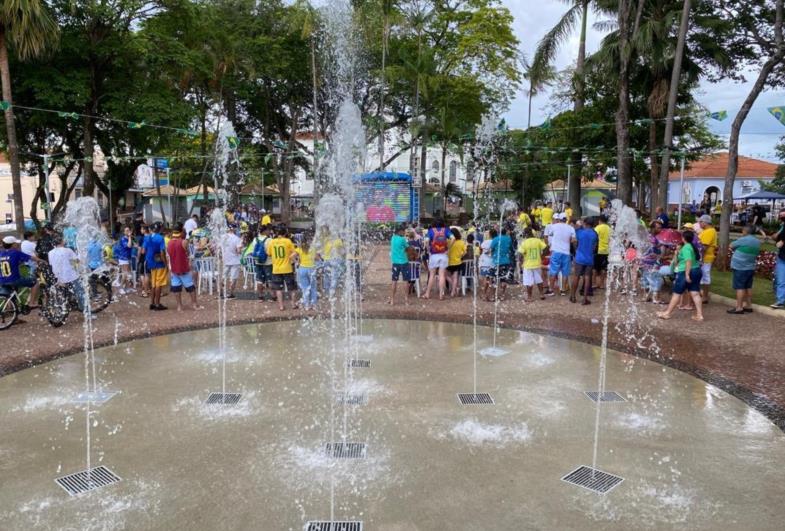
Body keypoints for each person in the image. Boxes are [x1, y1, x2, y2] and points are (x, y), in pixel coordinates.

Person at [657, 230, 704, 321]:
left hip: (686, 271)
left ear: (683, 238)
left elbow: (688, 261)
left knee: (677, 292)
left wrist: (687, 274)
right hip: (696, 270)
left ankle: (667, 313)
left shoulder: (686, 247)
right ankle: (699, 315)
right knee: (694, 293)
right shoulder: (691, 247)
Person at [167, 223, 202, 311]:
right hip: (183, 268)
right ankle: (194, 304)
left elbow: (168, 256)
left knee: (176, 288)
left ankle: (179, 306)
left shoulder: (169, 242)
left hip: (174, 269)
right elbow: (189, 254)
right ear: (181, 231)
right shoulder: (184, 242)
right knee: (191, 287)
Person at [727, 225, 761, 314]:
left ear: (745, 231)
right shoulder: (757, 241)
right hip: (750, 267)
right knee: (748, 287)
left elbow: (731, 245)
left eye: (742, 230)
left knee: (740, 287)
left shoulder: (744, 239)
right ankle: (749, 305)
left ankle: (739, 307)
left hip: (740, 267)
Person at [0, 235, 40, 306]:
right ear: (12, 245)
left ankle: (11, 309)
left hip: (3, 280)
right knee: (35, 282)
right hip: (14, 279)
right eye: (16, 243)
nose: (17, 244)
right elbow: (31, 258)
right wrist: (42, 261)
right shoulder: (15, 252)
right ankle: (31, 303)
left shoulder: (1, 253)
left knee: (8, 295)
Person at [48, 234, 85, 311]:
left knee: (66, 293)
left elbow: (52, 264)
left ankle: (70, 305)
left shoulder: (50, 253)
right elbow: (76, 262)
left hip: (58, 278)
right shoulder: (68, 250)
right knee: (81, 293)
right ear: (61, 242)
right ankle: (85, 311)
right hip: (70, 276)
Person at [544, 213, 576, 295]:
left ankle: (551, 290)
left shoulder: (554, 226)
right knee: (565, 272)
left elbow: (549, 234)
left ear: (559, 219)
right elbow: (574, 240)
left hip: (556, 251)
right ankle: (563, 290)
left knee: (553, 271)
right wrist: (567, 241)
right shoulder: (571, 228)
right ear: (566, 219)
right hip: (566, 252)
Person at [267, 225, 297, 311]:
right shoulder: (288, 241)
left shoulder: (272, 242)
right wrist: (291, 258)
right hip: (287, 268)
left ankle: (281, 306)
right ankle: (293, 304)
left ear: (277, 233)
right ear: (285, 233)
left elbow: (268, 253)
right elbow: (294, 252)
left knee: (278, 288)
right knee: (292, 288)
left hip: (276, 269)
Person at [571, 218, 597, 305]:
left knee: (576, 277)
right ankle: (585, 298)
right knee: (587, 278)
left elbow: (575, 241)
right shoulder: (594, 234)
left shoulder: (580, 232)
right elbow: (594, 247)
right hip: (589, 258)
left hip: (579, 257)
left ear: (585, 223)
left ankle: (573, 296)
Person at [517, 227, 547, 301]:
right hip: (537, 263)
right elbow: (546, 248)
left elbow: (520, 254)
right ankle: (541, 294)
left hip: (527, 265)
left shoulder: (524, 243)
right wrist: (542, 256)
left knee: (528, 281)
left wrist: (520, 262)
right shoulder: (538, 240)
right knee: (539, 279)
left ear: (525, 234)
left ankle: (529, 297)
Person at [424, 219, 451, 300]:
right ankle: (441, 295)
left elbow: (426, 241)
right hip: (443, 255)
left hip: (434, 255)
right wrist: (448, 249)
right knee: (442, 275)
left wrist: (428, 249)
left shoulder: (430, 230)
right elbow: (453, 238)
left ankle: (427, 294)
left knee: (432, 275)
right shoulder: (446, 230)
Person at [144, 223, 168, 310]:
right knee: (159, 284)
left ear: (151, 229)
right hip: (159, 263)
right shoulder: (160, 238)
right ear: (159, 229)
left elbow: (144, 250)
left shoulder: (147, 238)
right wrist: (166, 264)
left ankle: (152, 303)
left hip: (150, 262)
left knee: (153, 283)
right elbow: (162, 252)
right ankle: (157, 304)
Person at [294, 231, 318, 310]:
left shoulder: (299, 248)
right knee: (313, 288)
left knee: (305, 288)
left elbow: (291, 256)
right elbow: (317, 258)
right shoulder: (313, 248)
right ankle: (314, 305)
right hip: (311, 269)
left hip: (302, 269)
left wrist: (297, 261)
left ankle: (307, 306)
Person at [697, 214, 717, 304]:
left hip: (705, 258)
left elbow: (703, 247)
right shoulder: (706, 231)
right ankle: (702, 294)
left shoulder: (709, 231)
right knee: (702, 277)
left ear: (705, 222)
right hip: (703, 258)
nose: (699, 223)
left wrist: (700, 259)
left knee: (705, 277)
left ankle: (705, 297)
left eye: (700, 222)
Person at [488, 227, 513, 301]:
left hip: (496, 261)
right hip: (506, 261)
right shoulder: (508, 239)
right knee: (503, 279)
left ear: (499, 232)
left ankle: (493, 296)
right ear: (505, 232)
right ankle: (502, 295)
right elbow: (511, 249)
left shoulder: (495, 239)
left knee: (493, 279)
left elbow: (491, 249)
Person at [389, 224, 410, 305]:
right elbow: (408, 248)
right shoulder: (403, 239)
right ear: (400, 231)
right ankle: (406, 300)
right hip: (404, 262)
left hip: (395, 263)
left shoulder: (392, 238)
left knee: (394, 281)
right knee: (405, 281)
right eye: (403, 231)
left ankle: (392, 300)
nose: (405, 232)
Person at [252, 224, 274, 301]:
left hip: (258, 262)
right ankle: (273, 296)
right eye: (268, 230)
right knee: (270, 280)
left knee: (259, 280)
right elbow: (271, 252)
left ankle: (260, 297)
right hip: (268, 263)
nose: (269, 231)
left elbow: (253, 251)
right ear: (265, 231)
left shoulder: (255, 239)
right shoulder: (269, 240)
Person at [221, 224, 243, 298]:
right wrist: (241, 249)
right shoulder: (237, 238)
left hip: (226, 259)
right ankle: (231, 293)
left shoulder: (223, 237)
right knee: (233, 277)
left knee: (224, 276)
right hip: (235, 261)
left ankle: (221, 291)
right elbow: (238, 251)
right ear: (234, 229)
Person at [770, 208, 785, 309]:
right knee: (779, 279)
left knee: (781, 280)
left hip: (783, 256)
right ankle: (780, 299)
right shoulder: (782, 226)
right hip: (782, 256)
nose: (781, 218)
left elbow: (779, 243)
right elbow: (775, 238)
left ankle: (780, 300)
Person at [446, 228, 467, 297]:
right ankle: (453, 291)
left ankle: (455, 287)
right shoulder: (461, 242)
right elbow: (465, 252)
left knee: (444, 275)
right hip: (458, 262)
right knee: (455, 277)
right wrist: (461, 256)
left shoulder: (448, 241)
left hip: (449, 262)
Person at [114, 226, 135, 293]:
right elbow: (128, 245)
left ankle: (126, 287)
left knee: (128, 274)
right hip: (123, 258)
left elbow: (132, 245)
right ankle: (121, 288)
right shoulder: (123, 239)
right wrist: (129, 237)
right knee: (125, 274)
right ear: (124, 232)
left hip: (128, 258)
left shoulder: (129, 238)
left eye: (129, 230)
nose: (128, 231)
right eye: (126, 230)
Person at [593, 214, 610, 290]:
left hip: (598, 250)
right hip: (606, 251)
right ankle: (602, 284)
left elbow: (594, 238)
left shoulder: (597, 228)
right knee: (604, 268)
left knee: (595, 268)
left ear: (600, 220)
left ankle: (594, 283)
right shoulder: (609, 228)